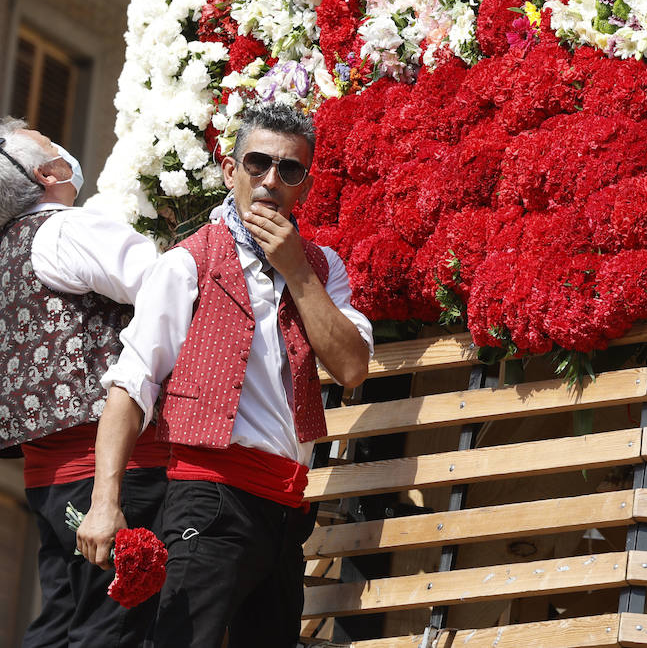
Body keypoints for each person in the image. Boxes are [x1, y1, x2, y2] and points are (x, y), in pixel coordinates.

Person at [78, 101, 372, 648]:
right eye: (257, 163)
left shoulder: (323, 268)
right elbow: (131, 384)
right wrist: (104, 501)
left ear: (305, 186)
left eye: (289, 170)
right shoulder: (188, 262)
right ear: (229, 169)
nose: (270, 181)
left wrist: (296, 270)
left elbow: (352, 367)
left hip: (286, 511)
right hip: (210, 498)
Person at [0, 117, 167, 648]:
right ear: (48, 173)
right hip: (113, 472)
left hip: (47, 479)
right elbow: (166, 286)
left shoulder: (7, 251)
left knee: (62, 623)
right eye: (47, 140)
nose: (59, 142)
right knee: (112, 626)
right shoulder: (69, 229)